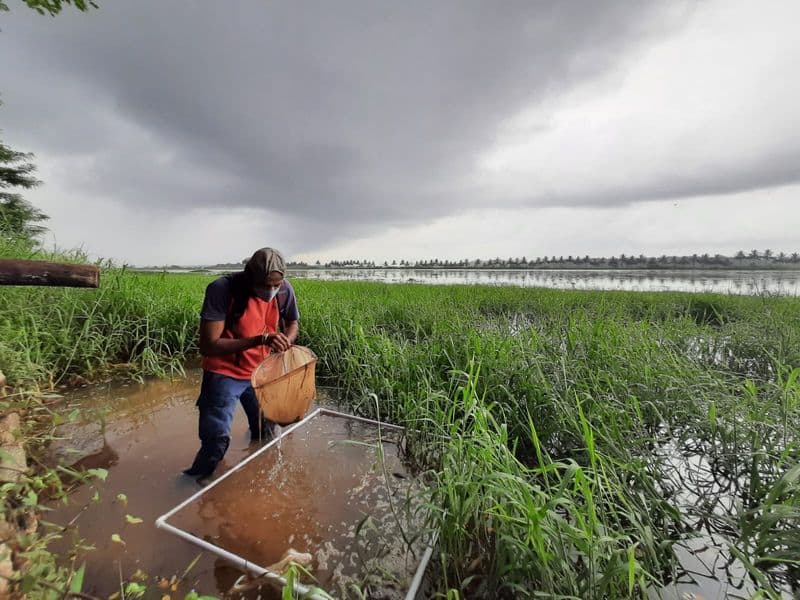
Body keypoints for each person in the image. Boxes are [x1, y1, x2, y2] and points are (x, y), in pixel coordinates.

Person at [183, 247, 300, 479]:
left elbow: (293, 323)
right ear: (250, 277)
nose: (271, 291)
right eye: (265, 285)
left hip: (262, 373)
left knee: (266, 432)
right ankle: (192, 485)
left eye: (275, 285)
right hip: (224, 374)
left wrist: (286, 340)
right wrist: (261, 340)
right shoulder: (223, 290)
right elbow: (208, 345)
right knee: (216, 442)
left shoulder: (284, 290)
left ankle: (255, 475)